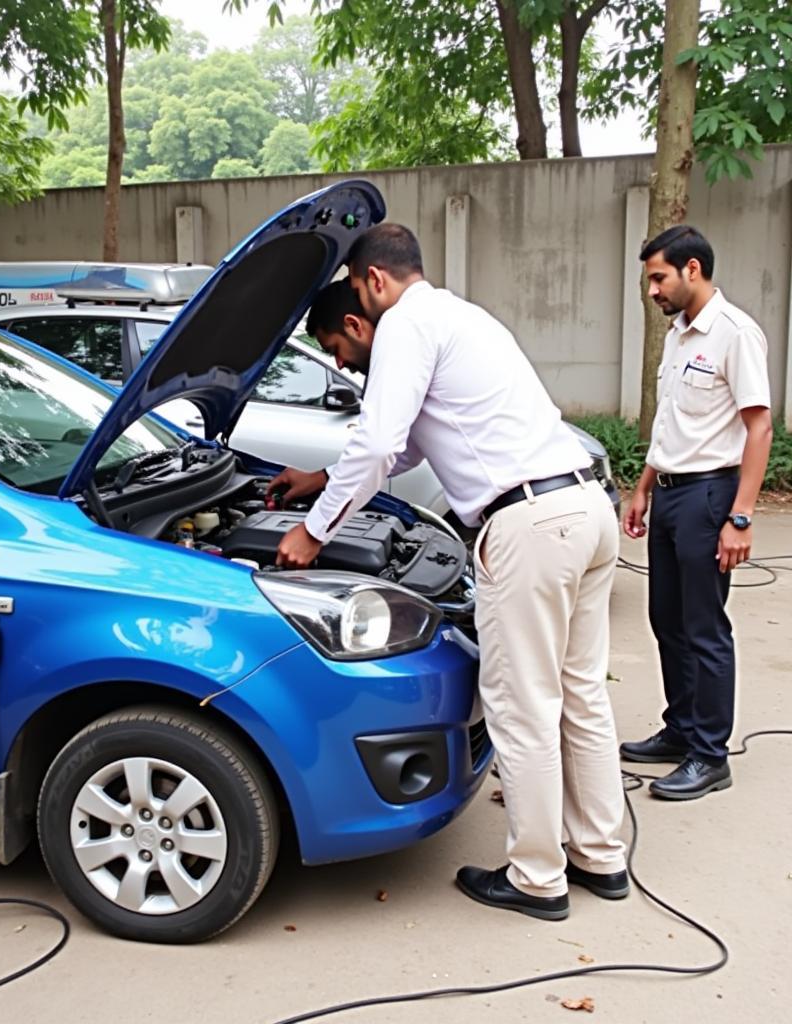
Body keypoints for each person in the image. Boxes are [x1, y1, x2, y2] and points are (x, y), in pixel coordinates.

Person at [268, 225, 628, 921]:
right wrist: (319, 479)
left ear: (368, 289)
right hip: (584, 507)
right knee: (582, 695)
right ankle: (599, 856)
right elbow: (405, 446)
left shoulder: (402, 323)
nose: (344, 366)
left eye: (339, 351)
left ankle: (536, 878)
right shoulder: (462, 315)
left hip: (528, 525)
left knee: (522, 705)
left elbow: (376, 441)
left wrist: (314, 533)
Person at [621, 225, 772, 800]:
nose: (653, 290)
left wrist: (741, 516)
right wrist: (643, 487)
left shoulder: (735, 334)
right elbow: (672, 424)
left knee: (705, 629)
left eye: (658, 277)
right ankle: (681, 730)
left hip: (712, 497)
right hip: (670, 494)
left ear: (691, 269)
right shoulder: (680, 335)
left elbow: (759, 426)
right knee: (667, 620)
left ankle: (711, 755)